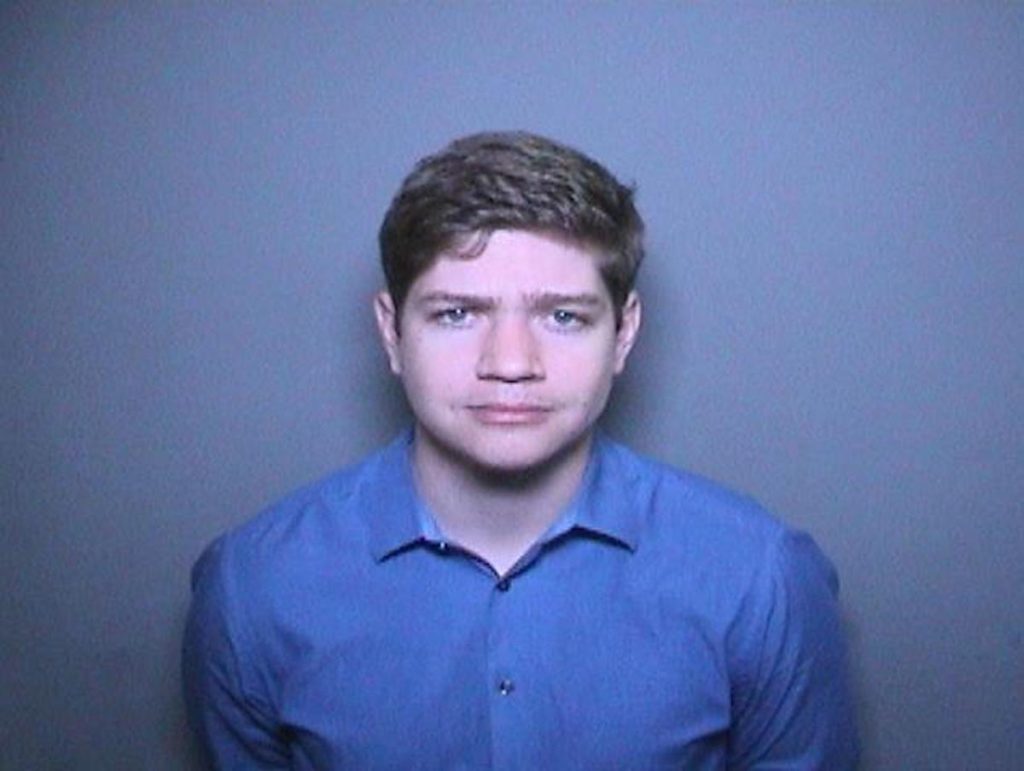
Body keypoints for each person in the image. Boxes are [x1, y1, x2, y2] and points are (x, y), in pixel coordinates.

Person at [183, 131, 859, 769]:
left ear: (624, 334)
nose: (510, 363)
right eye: (457, 313)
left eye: (563, 316)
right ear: (391, 332)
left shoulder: (761, 579)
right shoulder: (253, 587)